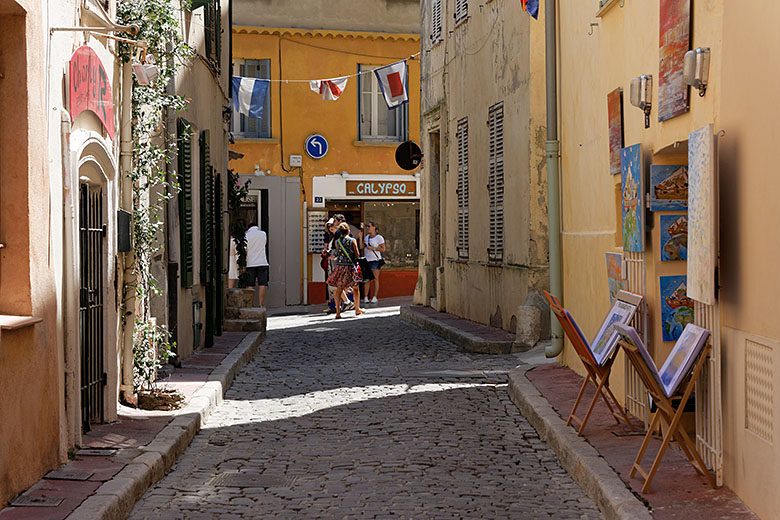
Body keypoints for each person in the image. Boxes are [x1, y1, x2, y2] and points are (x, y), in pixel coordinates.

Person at [326, 222, 364, 319]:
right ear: (348, 231)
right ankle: (357, 309)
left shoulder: (337, 242)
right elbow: (357, 254)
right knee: (355, 288)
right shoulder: (352, 240)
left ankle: (338, 313)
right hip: (350, 267)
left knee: (339, 289)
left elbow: (339, 252)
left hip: (340, 267)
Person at [244, 222, 269, 307]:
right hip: (262, 261)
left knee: (250, 285)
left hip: (250, 262)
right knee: (262, 284)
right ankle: (260, 304)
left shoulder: (246, 235)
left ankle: (250, 304)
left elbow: (245, 249)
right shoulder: (263, 234)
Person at [362, 220, 386, 303]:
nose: (367, 228)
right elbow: (361, 246)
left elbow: (383, 249)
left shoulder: (379, 237)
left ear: (374, 227)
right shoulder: (367, 237)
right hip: (367, 259)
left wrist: (373, 248)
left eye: (369, 226)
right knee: (367, 279)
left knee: (375, 279)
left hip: (375, 260)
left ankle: (375, 296)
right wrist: (360, 237)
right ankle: (365, 297)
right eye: (367, 226)